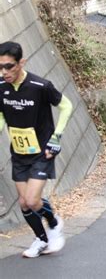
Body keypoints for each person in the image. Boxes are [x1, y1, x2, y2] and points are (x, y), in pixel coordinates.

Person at [0, 41, 73, 258]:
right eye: (0, 67)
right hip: (19, 152)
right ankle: (41, 240)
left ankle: (53, 223)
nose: (4, 72)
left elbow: (66, 106)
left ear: (21, 62)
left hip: (43, 151)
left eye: (8, 66)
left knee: (32, 200)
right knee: (24, 203)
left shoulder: (40, 86)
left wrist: (56, 138)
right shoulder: (1, 88)